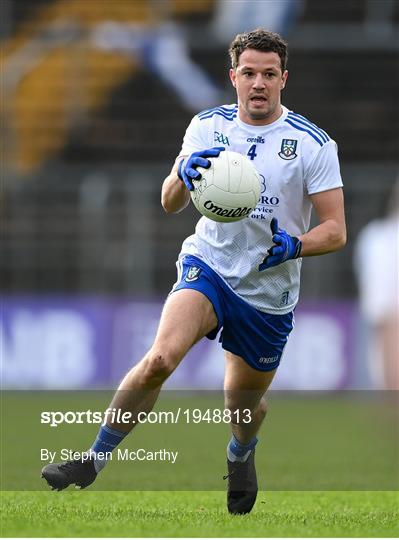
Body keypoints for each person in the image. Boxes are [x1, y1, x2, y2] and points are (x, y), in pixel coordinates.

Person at [41, 28, 346, 514]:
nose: (259, 83)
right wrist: (182, 176)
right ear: (234, 77)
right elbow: (169, 202)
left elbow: (335, 230)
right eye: (249, 73)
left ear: (284, 79)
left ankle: (240, 452)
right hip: (209, 263)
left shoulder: (311, 144)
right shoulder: (207, 127)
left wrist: (295, 246)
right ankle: (92, 460)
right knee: (161, 358)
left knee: (242, 405)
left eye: (269, 74)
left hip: (268, 288)